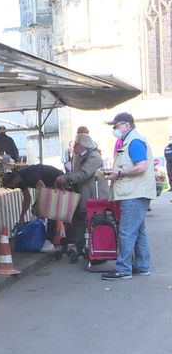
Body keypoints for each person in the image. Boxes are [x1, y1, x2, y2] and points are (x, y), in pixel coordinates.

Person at [102, 112, 156, 280]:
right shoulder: (131, 140)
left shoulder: (134, 141)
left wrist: (118, 172)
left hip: (134, 193)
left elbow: (141, 167)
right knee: (138, 231)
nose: (114, 129)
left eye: (116, 126)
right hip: (135, 192)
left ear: (127, 125)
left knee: (126, 232)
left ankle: (123, 269)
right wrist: (116, 173)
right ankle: (141, 265)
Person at [56, 134, 109, 262]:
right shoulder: (79, 155)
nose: (74, 146)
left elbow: (84, 174)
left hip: (94, 195)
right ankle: (81, 248)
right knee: (79, 222)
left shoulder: (94, 157)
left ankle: (97, 251)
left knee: (92, 223)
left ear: (83, 144)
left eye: (76, 144)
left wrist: (68, 177)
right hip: (83, 195)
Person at [2, 164, 63, 251]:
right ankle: (43, 235)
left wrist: (38, 206)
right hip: (48, 186)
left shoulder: (30, 175)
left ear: (14, 179)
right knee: (37, 210)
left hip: (57, 180)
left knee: (49, 211)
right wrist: (22, 216)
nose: (13, 188)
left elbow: (42, 188)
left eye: (12, 186)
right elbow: (27, 199)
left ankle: (50, 241)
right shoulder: (20, 182)